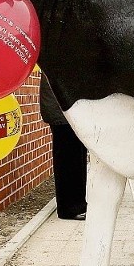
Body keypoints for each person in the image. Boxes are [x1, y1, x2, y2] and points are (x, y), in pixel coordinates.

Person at [40, 74, 87, 220]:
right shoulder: (57, 57)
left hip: (68, 111)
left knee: (77, 159)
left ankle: (78, 204)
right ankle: (69, 209)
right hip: (62, 112)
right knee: (68, 161)